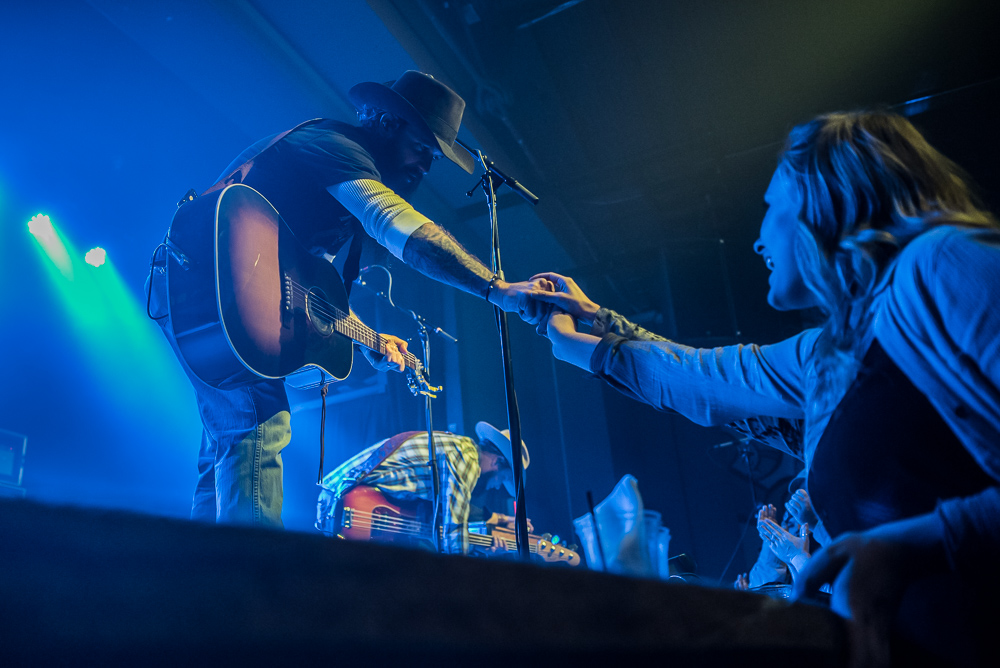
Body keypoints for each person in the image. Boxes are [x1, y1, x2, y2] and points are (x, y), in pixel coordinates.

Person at [531, 111, 1000, 665]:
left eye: (771, 206)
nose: (757, 241)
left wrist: (910, 544)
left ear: (825, 199)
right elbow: (700, 376)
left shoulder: (943, 262)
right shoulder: (829, 353)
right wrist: (591, 327)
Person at [148, 71, 546, 529]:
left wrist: (368, 337)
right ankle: (255, 566)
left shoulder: (337, 184)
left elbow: (308, 286)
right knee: (259, 425)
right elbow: (395, 223)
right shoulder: (336, 148)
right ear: (387, 123)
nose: (425, 166)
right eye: (422, 148)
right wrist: (495, 288)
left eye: (434, 157)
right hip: (205, 282)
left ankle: (200, 568)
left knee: (225, 444)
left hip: (196, 290)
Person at [315, 422, 530, 554]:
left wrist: (497, 524)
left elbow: (446, 517)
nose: (497, 487)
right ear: (497, 462)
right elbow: (453, 533)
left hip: (339, 499)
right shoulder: (467, 458)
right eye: (503, 479)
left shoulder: (459, 447)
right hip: (348, 502)